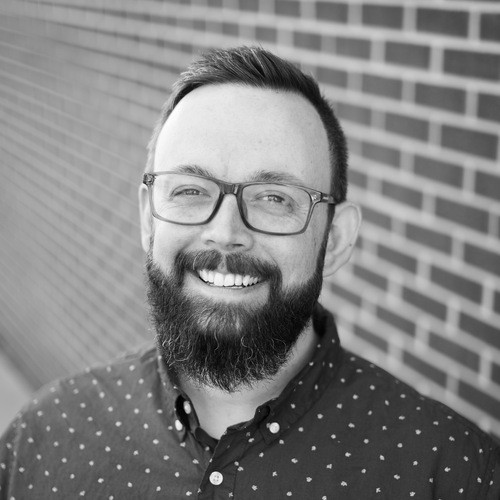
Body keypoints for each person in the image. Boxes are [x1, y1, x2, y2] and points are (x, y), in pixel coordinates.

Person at [0, 46, 499, 499]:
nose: (225, 233)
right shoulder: (43, 439)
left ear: (335, 240)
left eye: (275, 198)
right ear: (148, 218)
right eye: (190, 190)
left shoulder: (454, 473)